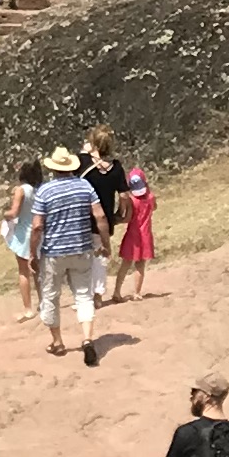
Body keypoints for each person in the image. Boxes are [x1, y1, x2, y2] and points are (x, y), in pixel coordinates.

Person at [25, 145, 109, 363]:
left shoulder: (45, 191)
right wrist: (105, 243)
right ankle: (87, 338)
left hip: (54, 252)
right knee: (83, 295)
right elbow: (100, 216)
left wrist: (32, 253)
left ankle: (58, 341)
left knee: (51, 296)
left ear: (53, 169)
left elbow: (37, 226)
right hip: (82, 248)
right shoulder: (85, 186)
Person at [0, 164, 44, 318]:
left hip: (23, 233)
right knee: (37, 270)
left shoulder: (21, 190)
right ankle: (43, 303)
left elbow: (14, 212)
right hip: (38, 232)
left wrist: (4, 214)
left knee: (23, 272)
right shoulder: (39, 190)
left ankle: (28, 309)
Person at [110, 162, 155, 301]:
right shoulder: (151, 197)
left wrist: (116, 220)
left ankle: (117, 292)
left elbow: (128, 218)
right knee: (140, 265)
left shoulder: (132, 200)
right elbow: (154, 208)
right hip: (145, 235)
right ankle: (137, 292)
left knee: (125, 264)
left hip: (132, 235)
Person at [78, 124, 126, 252]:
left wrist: (88, 149)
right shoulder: (116, 168)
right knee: (100, 260)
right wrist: (119, 214)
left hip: (82, 223)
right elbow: (124, 196)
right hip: (105, 224)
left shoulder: (82, 162)